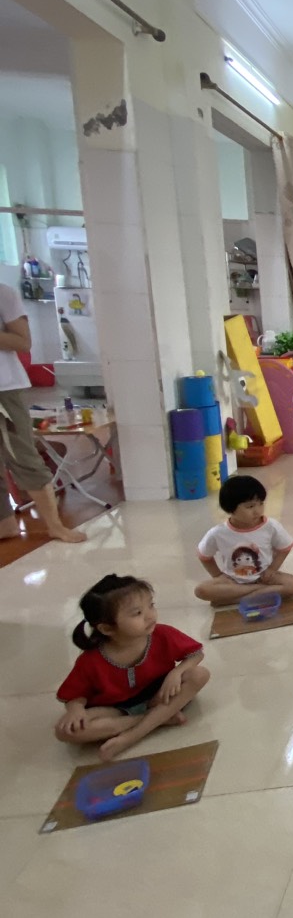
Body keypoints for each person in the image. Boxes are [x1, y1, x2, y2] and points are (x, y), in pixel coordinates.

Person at [55, 574, 210, 760]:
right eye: (137, 613)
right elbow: (74, 695)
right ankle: (159, 719)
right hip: (117, 709)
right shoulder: (91, 659)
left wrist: (177, 672)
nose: (150, 615)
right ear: (107, 628)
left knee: (199, 675)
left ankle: (132, 736)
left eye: (151, 605)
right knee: (64, 731)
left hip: (159, 695)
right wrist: (75, 710)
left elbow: (196, 654)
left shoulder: (162, 634)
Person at [0, 282, 86, 543]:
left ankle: (55, 526)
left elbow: (23, 342)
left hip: (4, 389)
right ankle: (5, 524)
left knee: (23, 456)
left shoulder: (4, 293)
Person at [196, 475, 293, 604]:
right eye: (250, 506)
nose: (258, 511)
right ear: (231, 508)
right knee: (201, 590)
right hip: (232, 581)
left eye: (261, 504)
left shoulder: (270, 526)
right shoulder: (218, 533)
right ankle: (257, 593)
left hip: (263, 578)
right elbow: (204, 556)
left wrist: (272, 569)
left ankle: (236, 598)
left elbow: (285, 548)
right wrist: (218, 576)